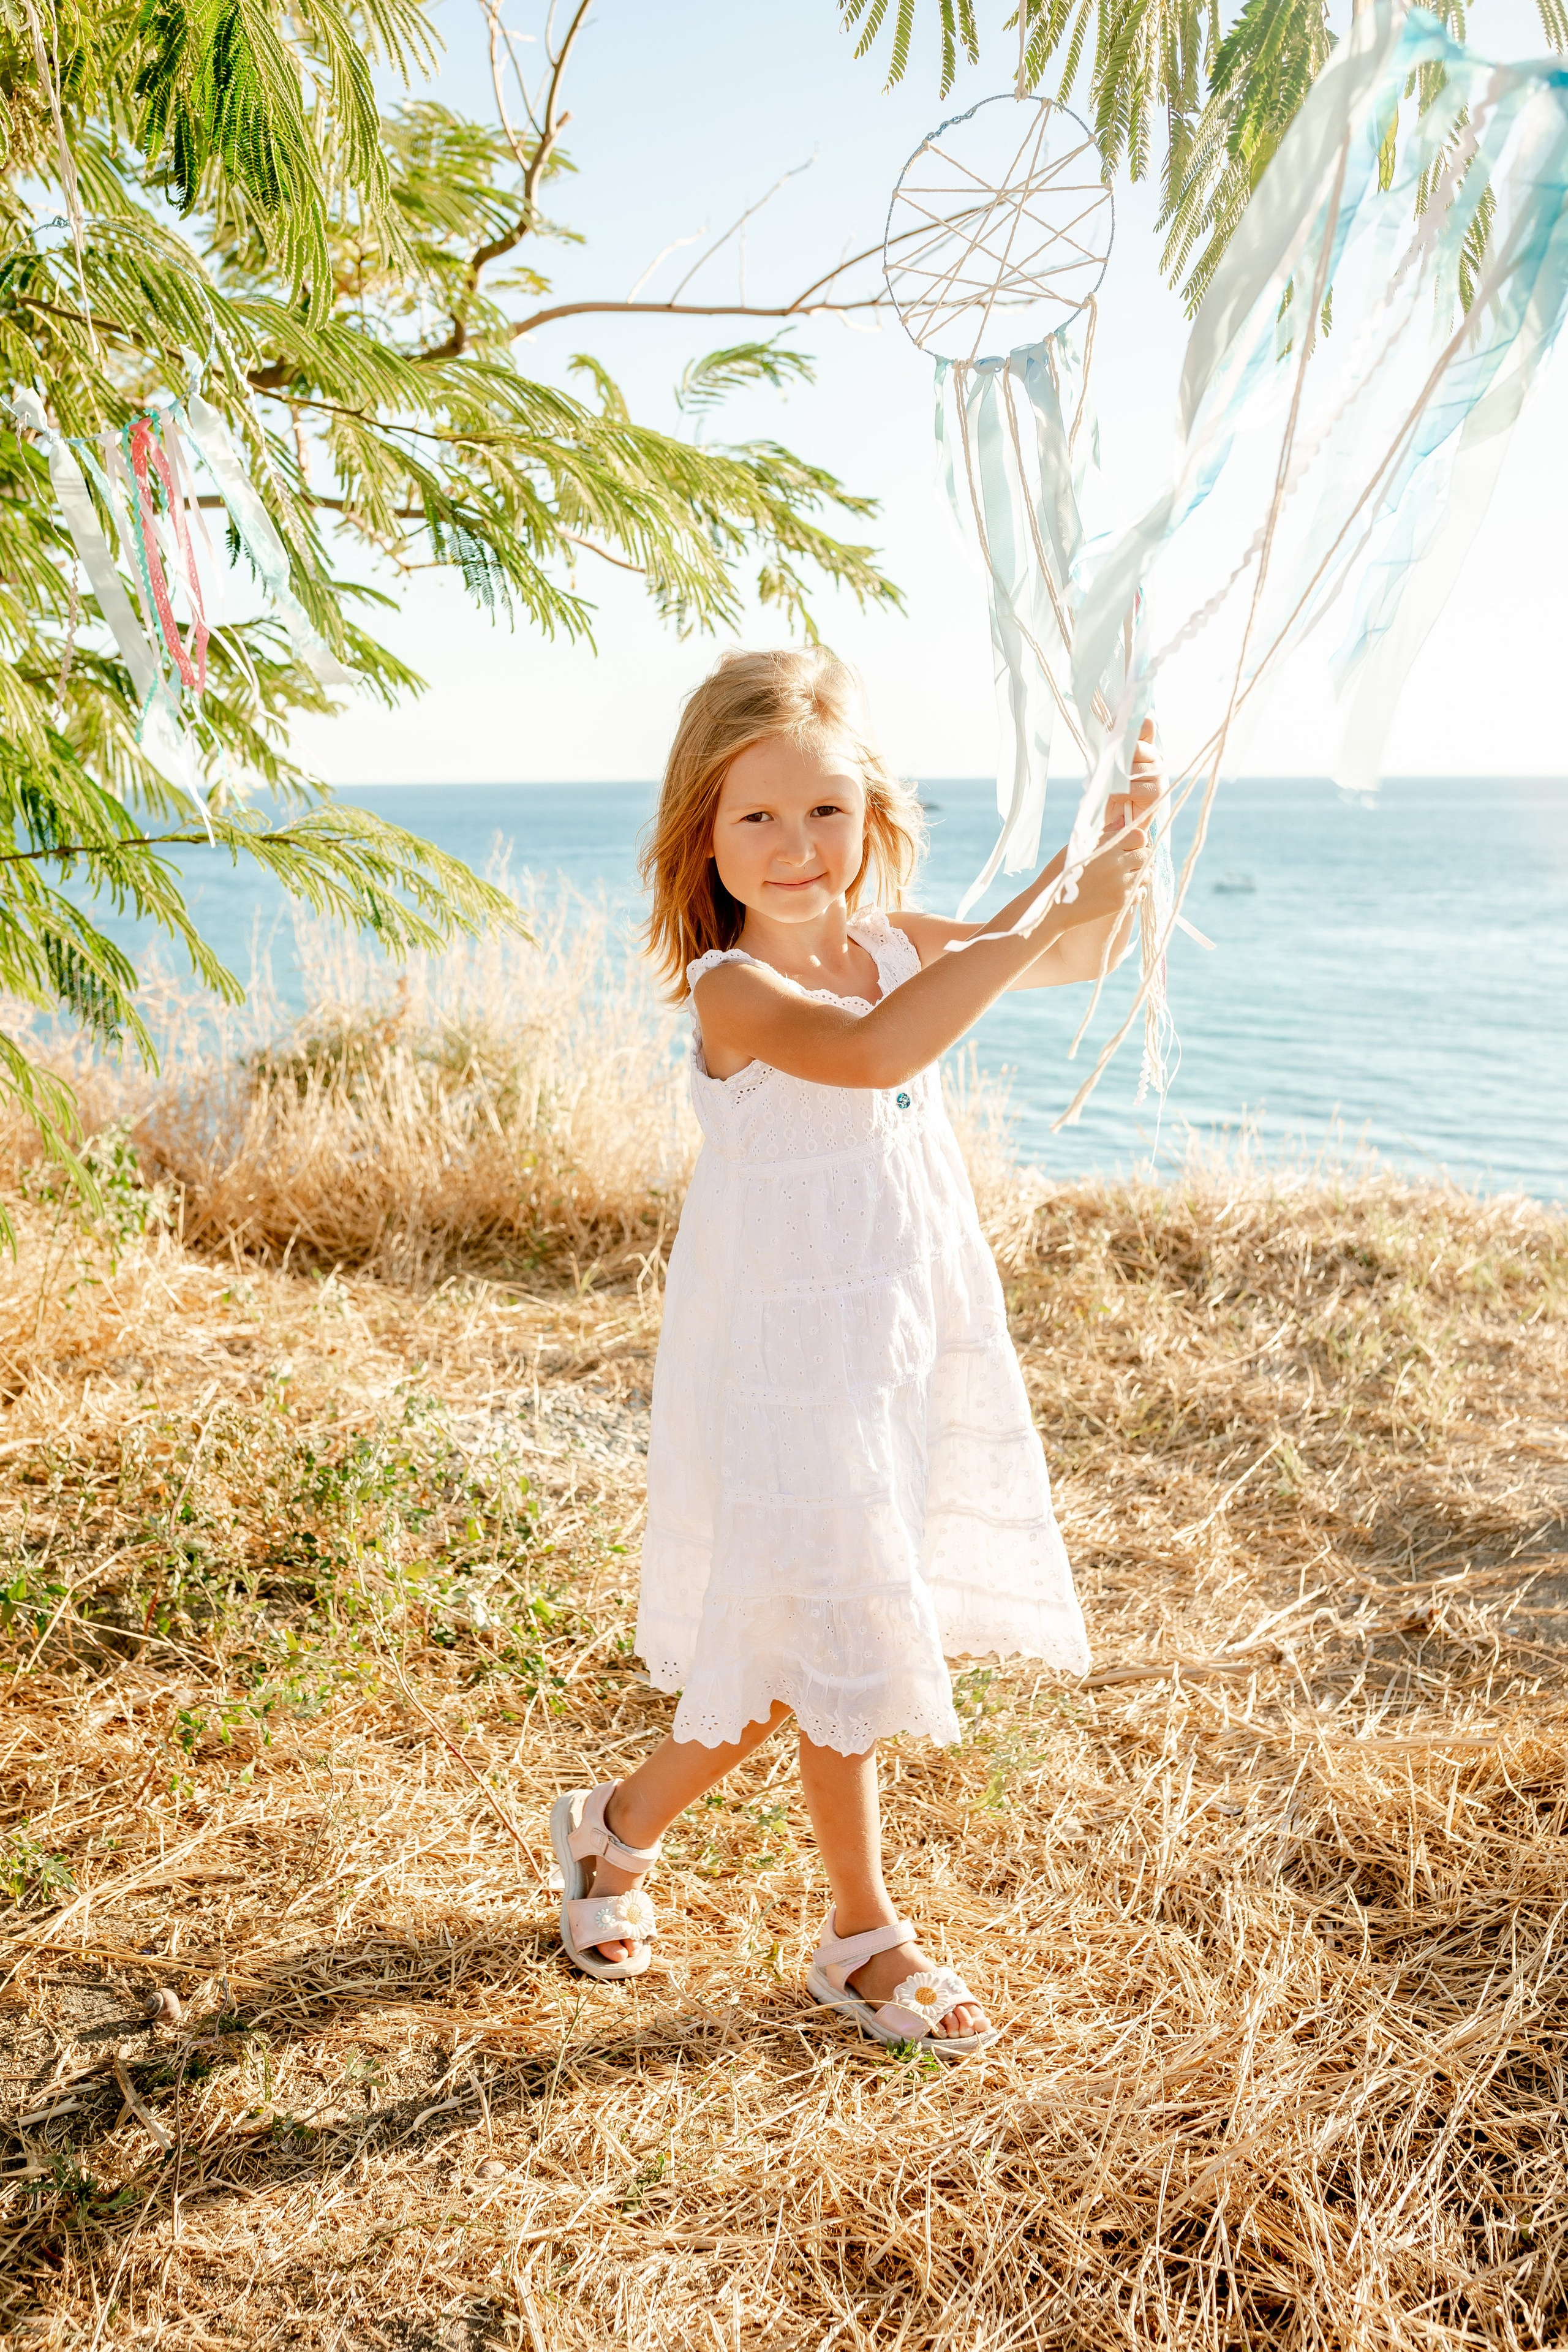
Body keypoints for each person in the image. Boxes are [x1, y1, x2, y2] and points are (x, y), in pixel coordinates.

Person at [550, 647, 1158, 2057]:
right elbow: (884, 1052)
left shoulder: (891, 941)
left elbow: (1069, 948)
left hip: (889, 1331)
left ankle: (617, 1829)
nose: (796, 847)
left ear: (872, 814)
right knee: (830, 1638)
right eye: (756, 817)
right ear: (701, 835)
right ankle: (857, 1933)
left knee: (809, 1649)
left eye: (825, 811)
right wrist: (1036, 914)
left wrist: (1117, 833)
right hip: (781, 1355)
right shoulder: (732, 989)